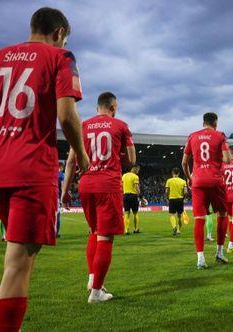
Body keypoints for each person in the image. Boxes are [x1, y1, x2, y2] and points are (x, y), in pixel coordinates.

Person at [0, 7, 89, 331]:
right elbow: (66, 116)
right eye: (63, 39)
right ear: (59, 33)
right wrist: (82, 157)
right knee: (17, 266)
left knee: (18, 260)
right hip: (31, 167)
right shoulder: (61, 57)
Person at [61, 91, 135, 303]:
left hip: (86, 184)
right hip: (107, 183)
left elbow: (70, 162)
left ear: (97, 108)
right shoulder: (120, 125)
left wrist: (65, 191)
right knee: (105, 236)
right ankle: (96, 292)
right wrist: (119, 154)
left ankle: (93, 277)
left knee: (93, 231)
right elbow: (131, 159)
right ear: (112, 107)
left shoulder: (83, 126)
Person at [182, 112, 231, 269]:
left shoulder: (192, 136)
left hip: (198, 182)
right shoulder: (219, 135)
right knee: (222, 214)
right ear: (215, 122)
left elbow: (184, 162)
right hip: (215, 181)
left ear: (203, 122)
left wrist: (190, 178)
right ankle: (219, 251)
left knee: (199, 218)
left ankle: (200, 258)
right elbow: (228, 160)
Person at [165, 167, 188, 235]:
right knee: (179, 216)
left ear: (172, 173)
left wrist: (167, 198)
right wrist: (184, 198)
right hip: (180, 199)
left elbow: (166, 191)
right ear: (179, 173)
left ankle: (174, 226)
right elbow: (186, 192)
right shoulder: (183, 181)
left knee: (172, 215)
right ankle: (178, 230)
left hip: (172, 199)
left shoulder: (169, 181)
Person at [122, 165, 140, 234]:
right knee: (135, 213)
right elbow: (136, 187)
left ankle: (126, 230)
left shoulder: (124, 176)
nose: (138, 172)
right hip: (133, 196)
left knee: (126, 213)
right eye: (138, 170)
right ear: (135, 169)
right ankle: (136, 229)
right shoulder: (135, 177)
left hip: (125, 195)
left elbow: (121, 185)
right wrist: (140, 194)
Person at [56, 162, 65, 238]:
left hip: (51, 195)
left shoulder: (52, 172)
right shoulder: (61, 174)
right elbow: (62, 186)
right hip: (57, 197)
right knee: (58, 216)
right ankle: (56, 233)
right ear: (61, 167)